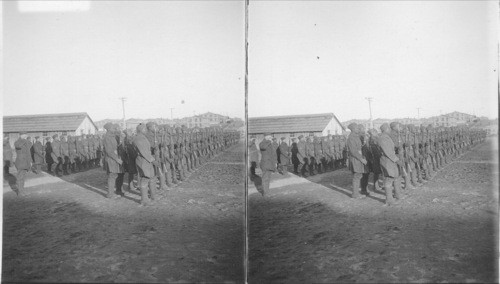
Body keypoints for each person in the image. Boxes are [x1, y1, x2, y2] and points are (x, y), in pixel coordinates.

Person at [134, 123, 157, 205]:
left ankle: (153, 196)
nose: (146, 130)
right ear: (141, 130)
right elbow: (144, 152)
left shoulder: (143, 137)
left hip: (147, 160)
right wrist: (152, 160)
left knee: (151, 177)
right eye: (145, 129)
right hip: (143, 161)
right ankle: (144, 200)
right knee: (145, 178)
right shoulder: (139, 138)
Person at [378, 123, 401, 205]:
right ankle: (389, 200)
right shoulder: (383, 138)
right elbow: (388, 152)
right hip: (387, 161)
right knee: (388, 180)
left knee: (394, 177)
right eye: (388, 128)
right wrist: (397, 160)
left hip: (390, 160)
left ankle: (396, 195)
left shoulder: (386, 137)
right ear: (385, 129)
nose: (390, 130)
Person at [346, 123, 369, 198]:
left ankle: (356, 193)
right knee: (357, 176)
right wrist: (361, 159)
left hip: (358, 158)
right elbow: (353, 151)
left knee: (358, 175)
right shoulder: (351, 137)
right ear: (352, 129)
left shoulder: (355, 136)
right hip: (356, 159)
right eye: (356, 128)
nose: (358, 129)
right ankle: (355, 194)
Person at [103, 123, 124, 198]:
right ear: (108, 129)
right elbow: (109, 151)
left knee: (116, 175)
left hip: (114, 157)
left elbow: (115, 147)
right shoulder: (107, 137)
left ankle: (117, 191)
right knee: (112, 176)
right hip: (111, 159)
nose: (114, 129)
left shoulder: (112, 136)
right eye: (113, 128)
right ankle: (110, 194)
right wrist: (117, 159)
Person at [14, 132, 32, 196]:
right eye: (25, 134)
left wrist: (30, 161)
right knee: (20, 177)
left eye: (26, 134)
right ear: (21, 135)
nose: (26, 135)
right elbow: (18, 146)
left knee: (23, 177)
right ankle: (19, 192)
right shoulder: (17, 142)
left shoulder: (26, 142)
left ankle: (22, 190)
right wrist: (23, 140)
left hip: (26, 162)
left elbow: (28, 153)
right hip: (20, 162)